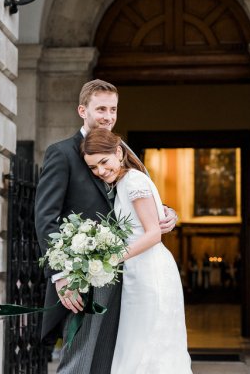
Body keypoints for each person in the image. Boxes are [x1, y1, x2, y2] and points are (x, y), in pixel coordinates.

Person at [34, 79, 178, 374]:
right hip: (84, 278)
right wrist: (61, 275)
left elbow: (140, 199)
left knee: (109, 363)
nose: (108, 116)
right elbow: (45, 218)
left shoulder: (123, 150)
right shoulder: (61, 154)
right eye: (101, 109)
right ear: (82, 110)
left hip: (129, 278)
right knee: (79, 360)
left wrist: (168, 214)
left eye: (112, 109)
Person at [81, 128, 192, 374]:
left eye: (104, 162)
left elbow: (153, 233)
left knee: (149, 345)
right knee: (136, 344)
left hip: (150, 271)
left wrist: (110, 258)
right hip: (137, 270)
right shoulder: (123, 183)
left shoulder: (133, 180)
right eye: (93, 167)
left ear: (118, 152)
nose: (100, 171)